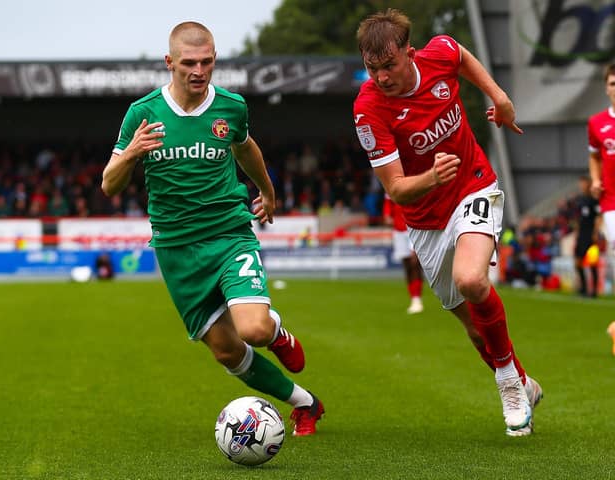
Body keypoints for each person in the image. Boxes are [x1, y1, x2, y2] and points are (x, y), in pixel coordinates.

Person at [101, 21, 323, 436]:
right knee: (226, 351)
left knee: (253, 329)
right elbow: (109, 184)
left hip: (228, 235)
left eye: (206, 61)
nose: (198, 70)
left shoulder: (231, 108)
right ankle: (306, 404)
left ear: (214, 60)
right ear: (170, 63)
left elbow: (245, 147)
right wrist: (130, 152)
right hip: (176, 250)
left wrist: (267, 191)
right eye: (188, 62)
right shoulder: (142, 114)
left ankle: (276, 332)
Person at [353, 9, 542, 436]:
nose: (381, 77)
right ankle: (522, 380)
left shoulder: (437, 54)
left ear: (410, 53)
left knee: (473, 280)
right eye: (372, 68)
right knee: (477, 333)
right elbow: (397, 190)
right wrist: (431, 177)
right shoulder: (368, 108)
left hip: (473, 185)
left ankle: (508, 386)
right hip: (424, 220)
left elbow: (460, 55)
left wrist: (499, 96)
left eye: (389, 66)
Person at [588, 63, 615, 254]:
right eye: (613, 84)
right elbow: (594, 156)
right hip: (611, 198)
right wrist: (596, 180)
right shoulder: (596, 122)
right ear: (606, 88)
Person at [382, 194, 424, 313]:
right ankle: (413, 298)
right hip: (398, 230)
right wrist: (387, 215)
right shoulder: (394, 177)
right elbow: (388, 201)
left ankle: (417, 299)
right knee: (407, 265)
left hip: (414, 226)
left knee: (414, 262)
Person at [573, 176, 601, 297]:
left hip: (591, 235)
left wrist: (595, 232)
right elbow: (579, 219)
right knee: (578, 262)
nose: (581, 186)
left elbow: (599, 217)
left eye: (583, 184)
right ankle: (583, 288)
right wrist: (577, 233)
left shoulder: (594, 200)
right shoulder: (581, 200)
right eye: (580, 184)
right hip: (581, 235)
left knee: (592, 262)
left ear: (589, 184)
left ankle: (593, 290)